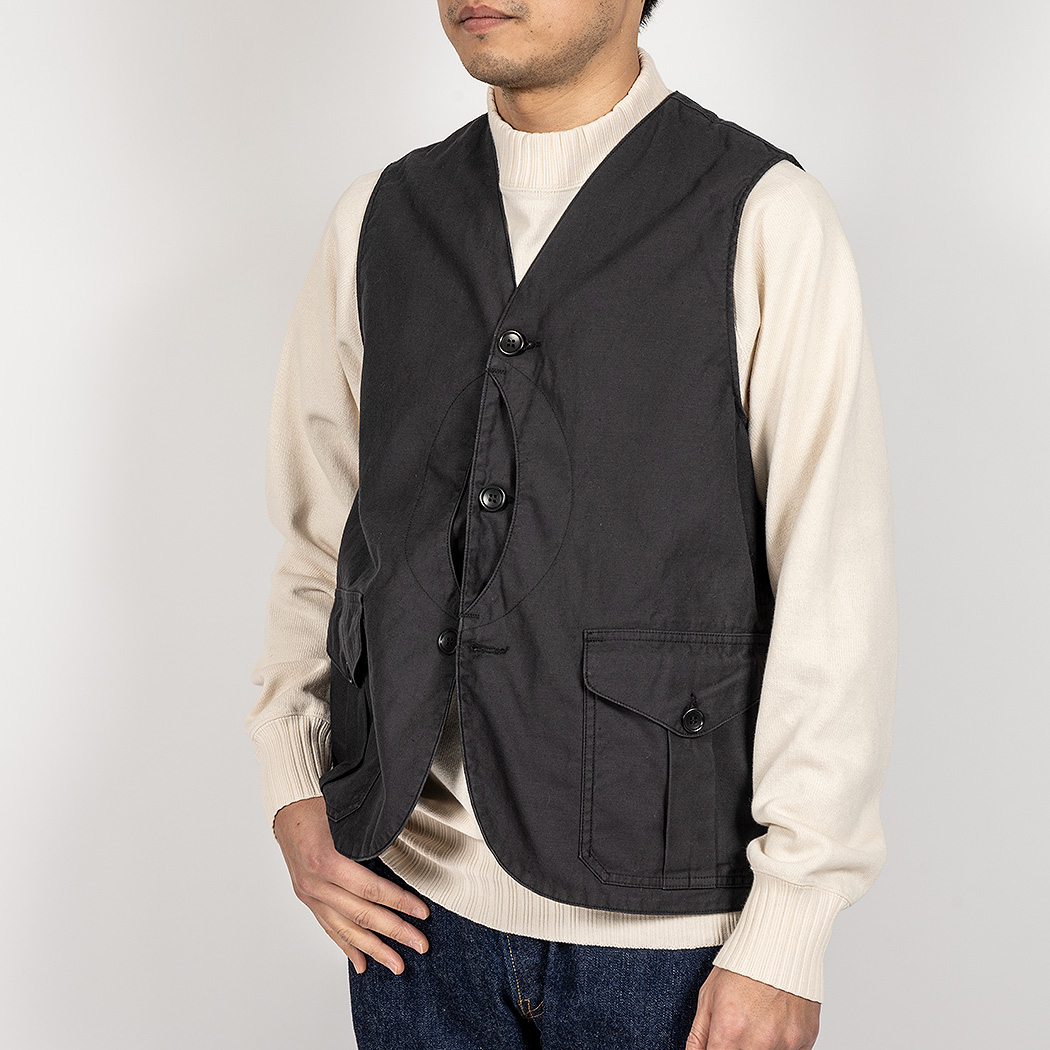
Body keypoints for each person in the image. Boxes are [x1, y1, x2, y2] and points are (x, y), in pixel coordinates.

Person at [244, 2, 898, 1048]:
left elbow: (834, 583)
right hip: (410, 916)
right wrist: (294, 782)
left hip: (670, 945)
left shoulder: (765, 214)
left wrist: (790, 929)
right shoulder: (379, 218)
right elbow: (322, 534)